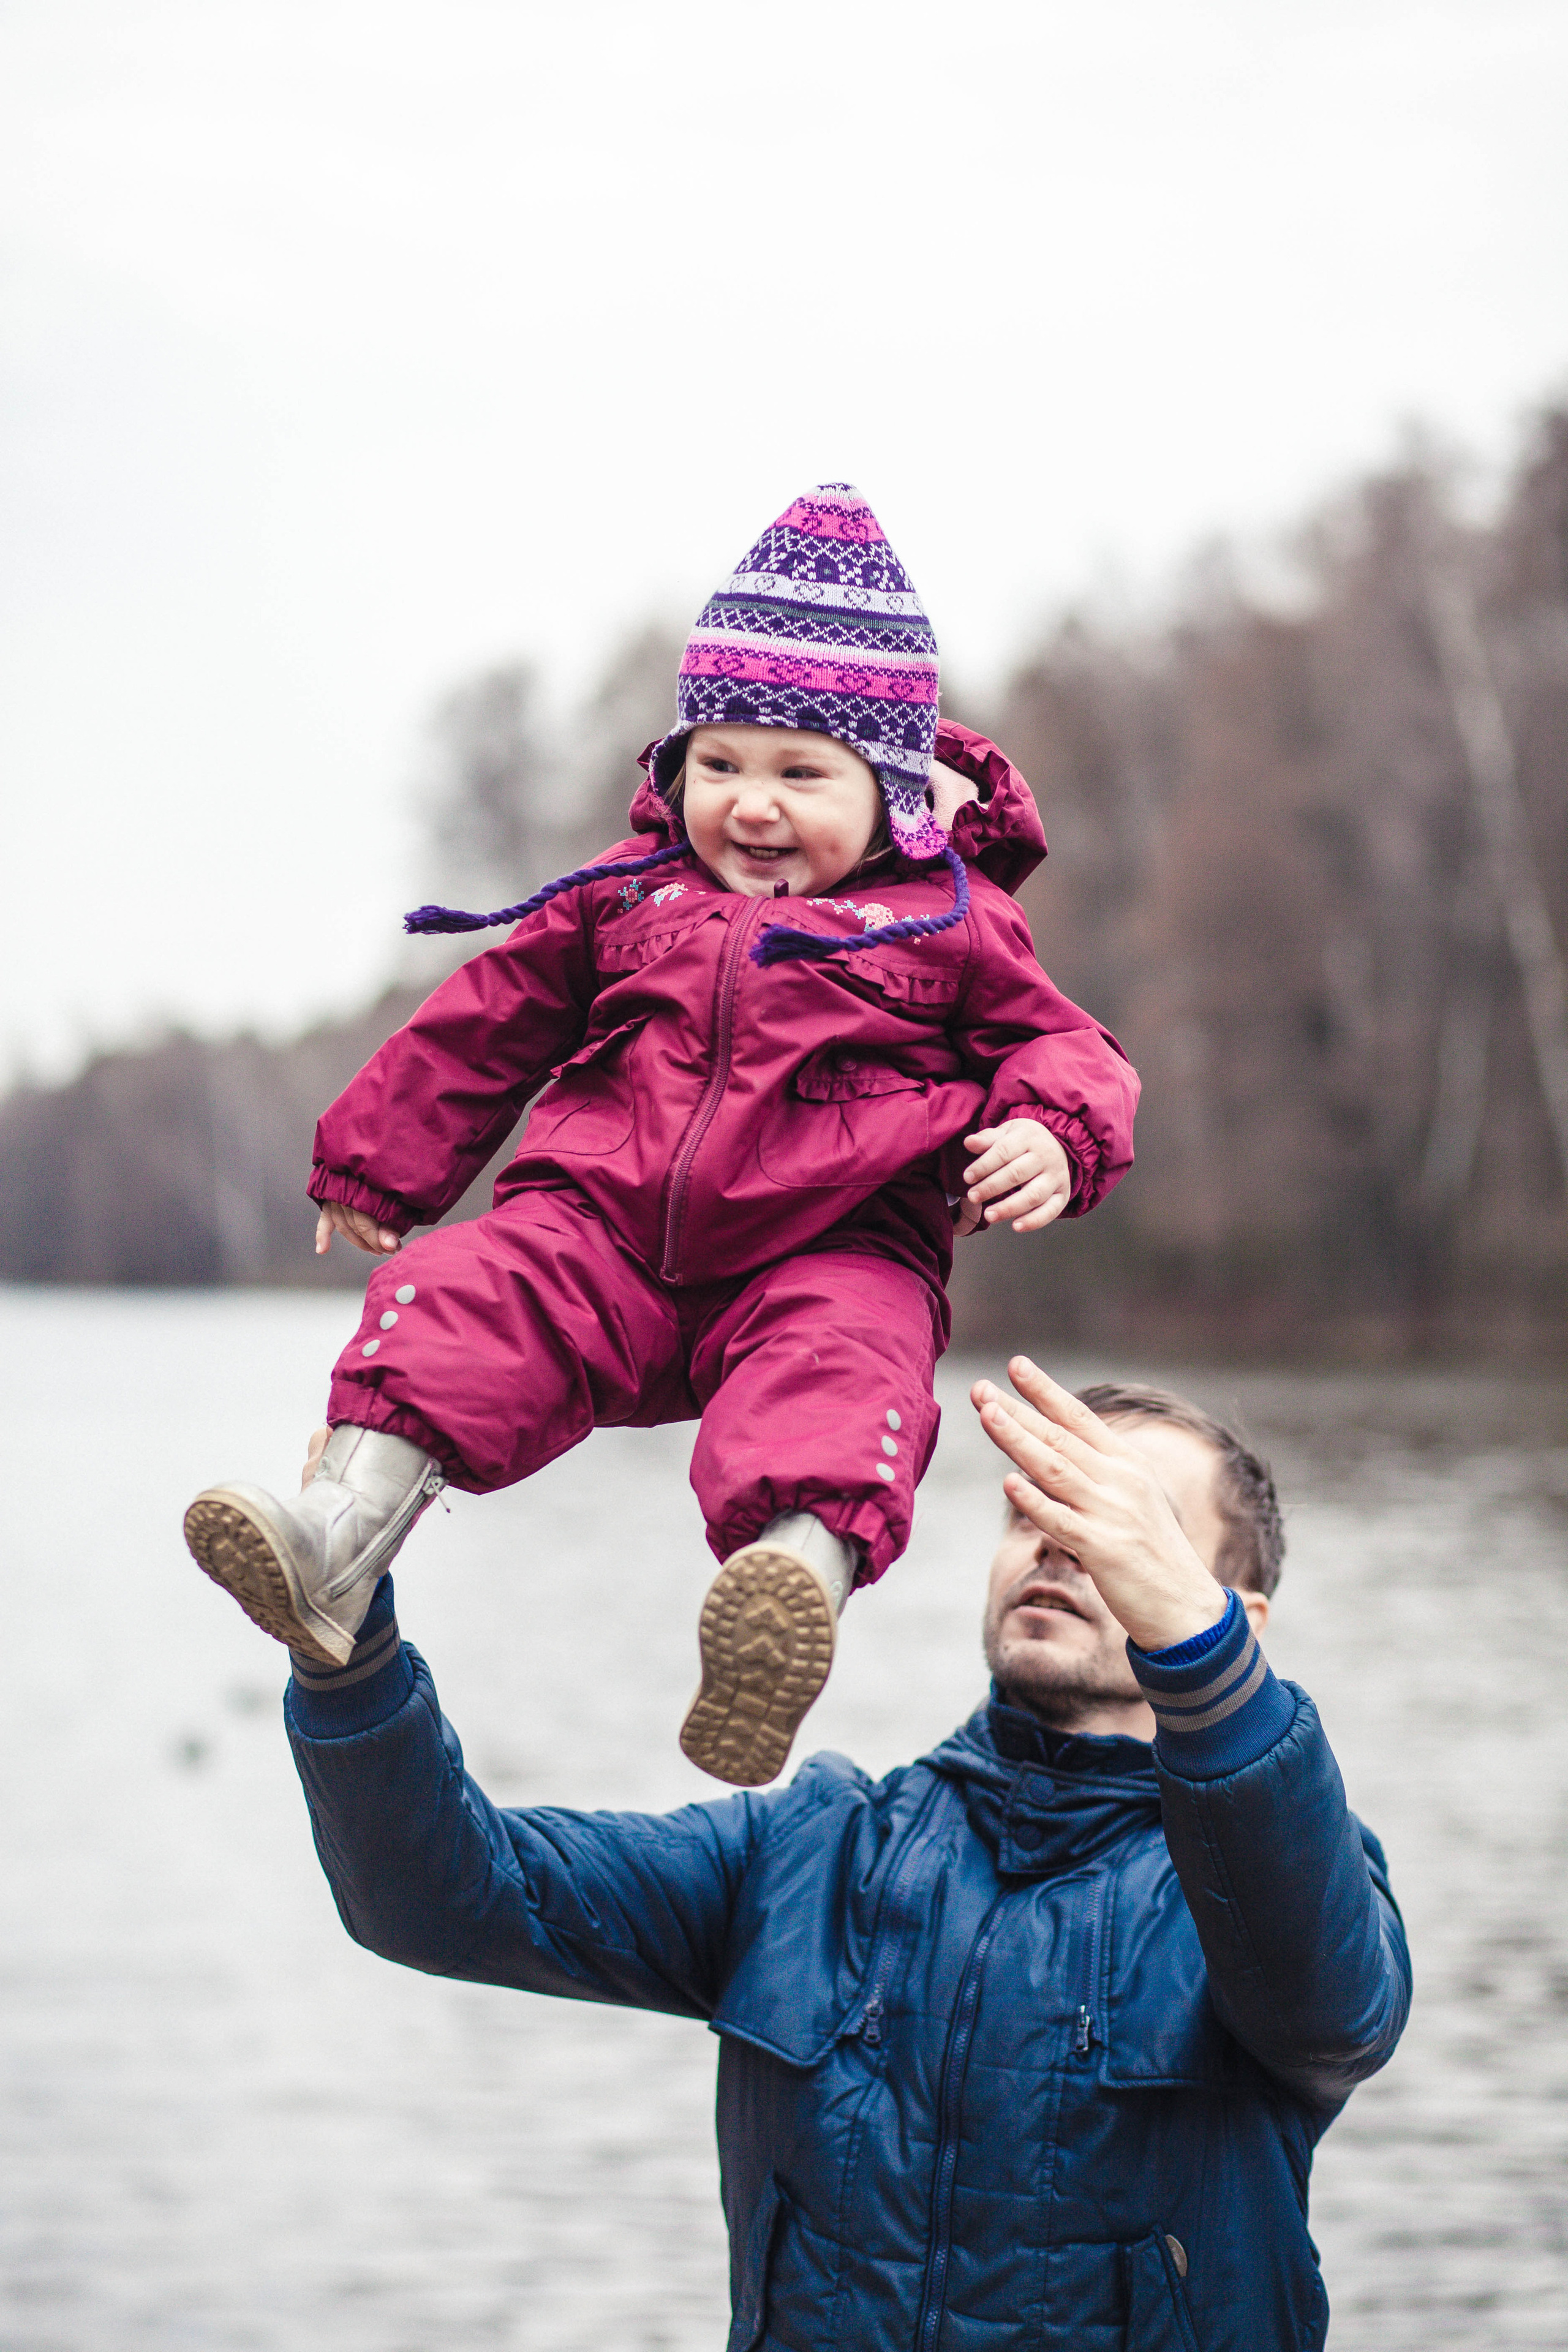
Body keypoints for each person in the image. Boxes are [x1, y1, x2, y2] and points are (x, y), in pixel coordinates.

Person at [184, 483, 1139, 1785]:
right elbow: (491, 1014)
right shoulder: (622, 900)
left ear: (893, 796)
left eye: (802, 774)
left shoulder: (949, 924)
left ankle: (782, 1595)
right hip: (604, 1234)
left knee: (841, 1372)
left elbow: (1064, 1046)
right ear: (676, 766)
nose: (752, 805)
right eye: (722, 764)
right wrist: (378, 1161)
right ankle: (335, 1537)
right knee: (461, 1292)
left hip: (829, 1245)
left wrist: (1051, 1130)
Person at [282, 1361, 1410, 2350]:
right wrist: (347, 1657)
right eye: (1041, 1506)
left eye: (1132, 1526)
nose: (1063, 1542)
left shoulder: (1287, 1881)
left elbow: (1334, 2007)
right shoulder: (814, 1851)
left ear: (1240, 1621)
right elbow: (435, 1898)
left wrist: (1198, 1660)